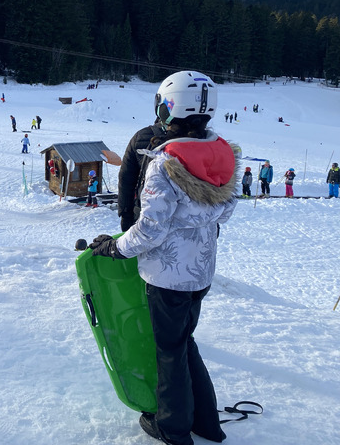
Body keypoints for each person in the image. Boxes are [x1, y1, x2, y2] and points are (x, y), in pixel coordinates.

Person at [89, 70, 236, 445]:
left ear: (171, 108)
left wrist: (115, 247)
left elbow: (149, 230)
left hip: (167, 276)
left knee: (169, 350)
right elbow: (226, 210)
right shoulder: (220, 154)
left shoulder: (165, 163)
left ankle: (172, 428)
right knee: (185, 342)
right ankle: (206, 422)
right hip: (200, 271)